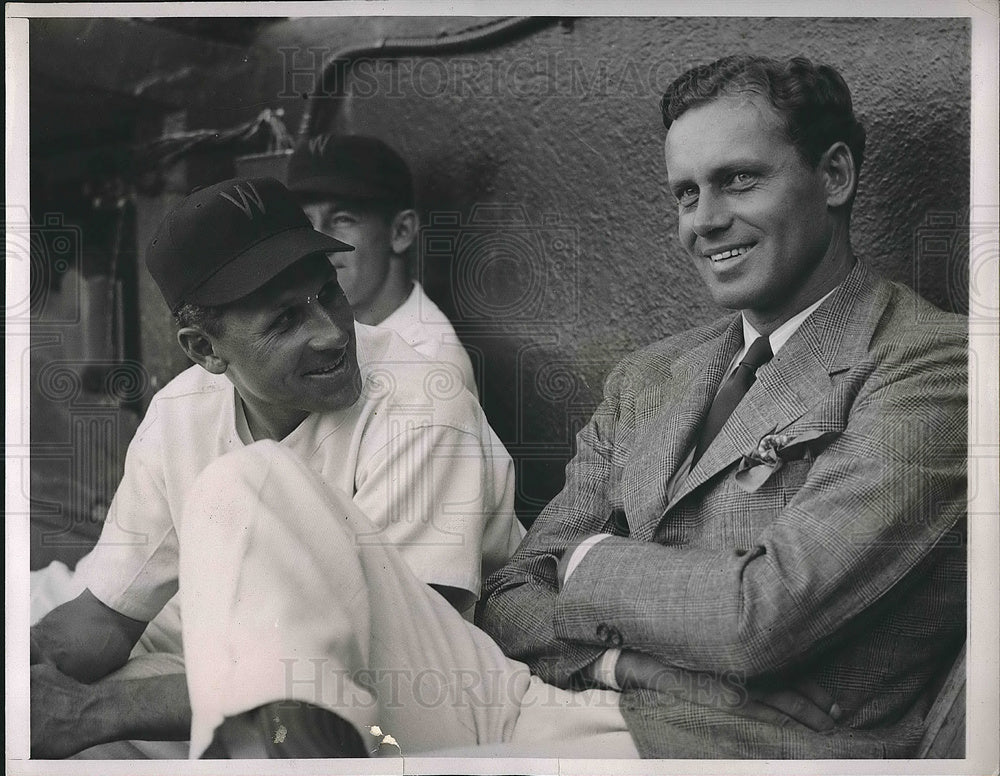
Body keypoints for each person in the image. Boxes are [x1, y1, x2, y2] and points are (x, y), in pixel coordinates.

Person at [50, 54, 966, 761]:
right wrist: (629, 656)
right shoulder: (654, 376)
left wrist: (594, 562)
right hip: (546, 703)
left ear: (836, 175)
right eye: (685, 194)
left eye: (739, 180)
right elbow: (516, 603)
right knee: (247, 483)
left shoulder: (932, 362)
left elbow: (764, 615)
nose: (703, 221)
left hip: (722, 750)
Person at [28, 176, 521, 759]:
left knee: (111, 714)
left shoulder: (424, 403)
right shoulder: (180, 414)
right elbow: (106, 619)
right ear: (205, 350)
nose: (333, 332)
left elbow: (384, 672)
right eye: (285, 320)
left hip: (423, 710)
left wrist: (93, 713)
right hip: (268, 673)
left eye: (328, 293)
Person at [286, 132, 478, 397]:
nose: (317, 243)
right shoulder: (324, 331)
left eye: (342, 219)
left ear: (401, 232)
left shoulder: (429, 363)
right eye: (306, 224)